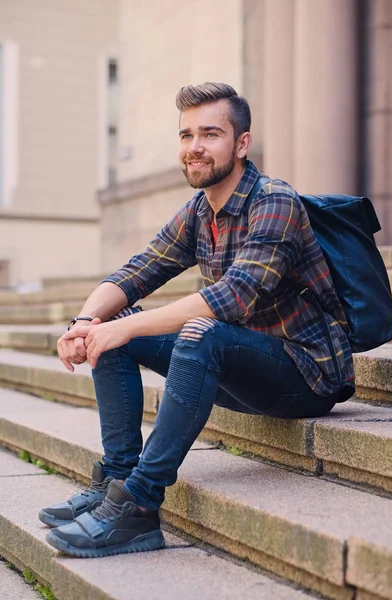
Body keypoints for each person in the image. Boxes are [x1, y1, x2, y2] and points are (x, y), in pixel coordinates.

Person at [40, 82, 354, 558]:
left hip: (305, 375)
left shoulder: (275, 202)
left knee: (190, 330)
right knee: (116, 324)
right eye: (186, 135)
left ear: (242, 143)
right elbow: (135, 272)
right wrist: (86, 322)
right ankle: (118, 481)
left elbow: (232, 298)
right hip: (239, 365)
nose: (195, 147)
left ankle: (139, 507)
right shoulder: (199, 212)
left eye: (210, 134)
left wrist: (123, 326)